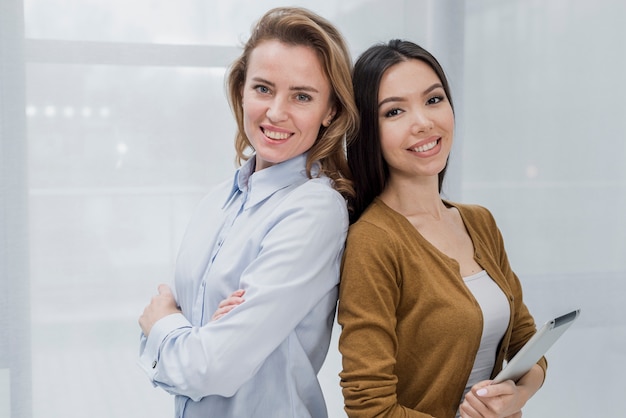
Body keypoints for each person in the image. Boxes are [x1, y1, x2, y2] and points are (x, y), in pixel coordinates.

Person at [138, 7, 358, 417]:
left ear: (330, 111)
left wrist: (166, 327)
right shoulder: (218, 200)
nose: (276, 112)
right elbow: (195, 353)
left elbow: (208, 367)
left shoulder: (315, 210)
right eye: (263, 88)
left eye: (302, 96)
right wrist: (191, 336)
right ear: (241, 90)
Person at [337, 39, 547, 418]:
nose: (423, 122)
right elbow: (369, 407)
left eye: (433, 100)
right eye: (395, 111)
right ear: (369, 129)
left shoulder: (479, 221)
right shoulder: (373, 243)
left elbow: (526, 342)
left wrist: (516, 398)